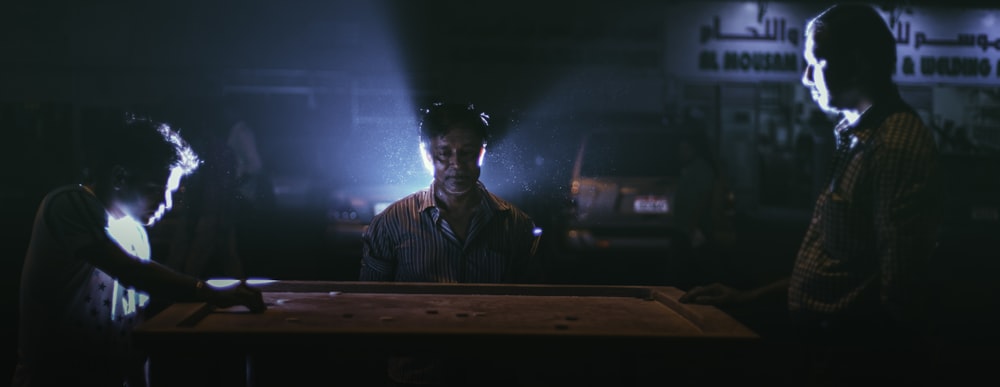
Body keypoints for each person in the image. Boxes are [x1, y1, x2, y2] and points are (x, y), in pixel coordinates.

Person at [680, 4, 942, 384]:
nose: (805, 77)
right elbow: (840, 269)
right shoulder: (859, 137)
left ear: (858, 64)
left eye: (816, 61)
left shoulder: (893, 146)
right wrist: (746, 299)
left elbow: (901, 295)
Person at [13, 112, 267, 387]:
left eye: (173, 193)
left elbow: (134, 325)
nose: (167, 204)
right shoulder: (68, 204)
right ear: (120, 176)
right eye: (158, 189)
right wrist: (210, 293)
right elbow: (130, 270)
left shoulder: (136, 233)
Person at [359, 102, 541, 386]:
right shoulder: (391, 223)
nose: (456, 165)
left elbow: (528, 308)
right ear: (426, 155)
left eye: (467, 154)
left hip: (492, 373)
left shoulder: (515, 225)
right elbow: (370, 308)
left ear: (483, 152)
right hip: (415, 374)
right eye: (444, 154)